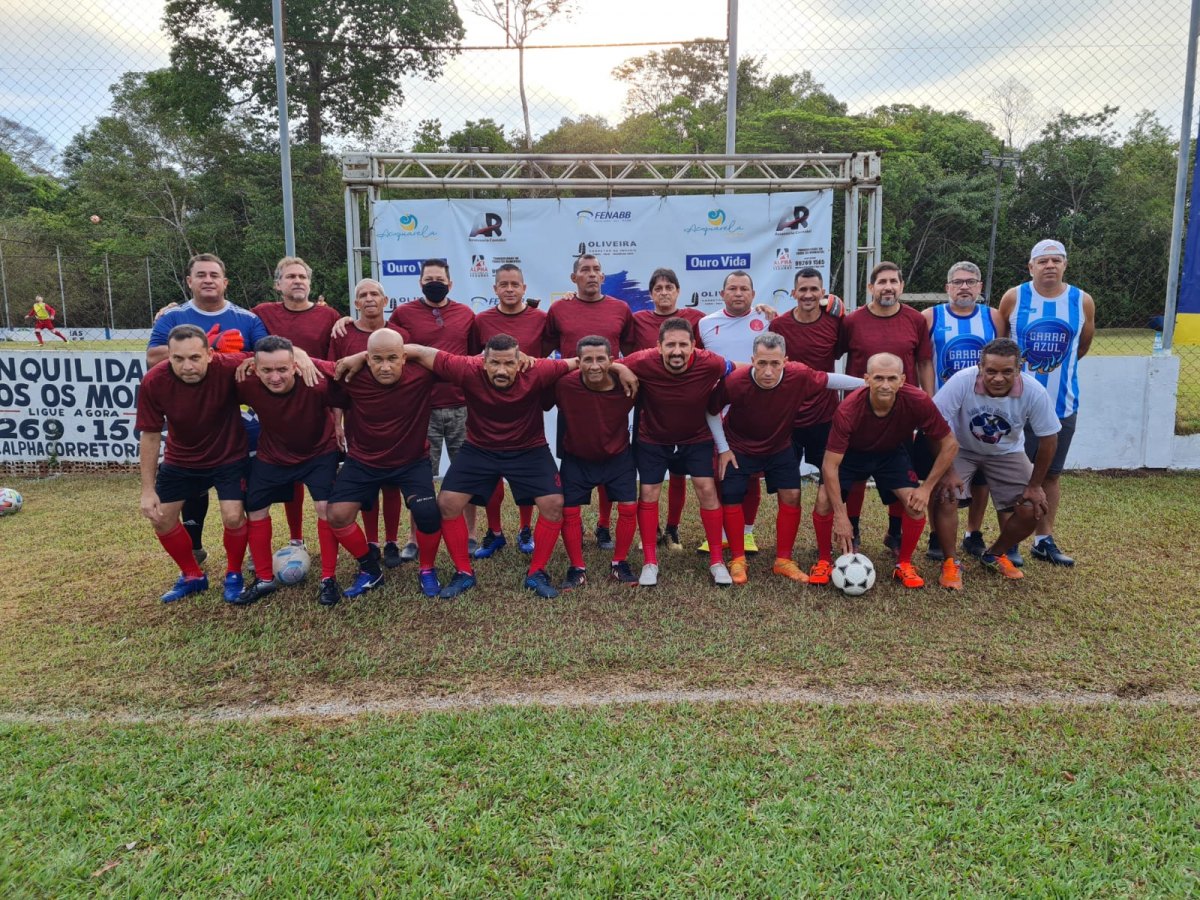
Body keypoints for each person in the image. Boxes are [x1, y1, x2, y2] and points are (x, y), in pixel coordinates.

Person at [392, 335, 604, 600]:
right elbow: (420, 350)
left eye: (508, 364)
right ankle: (463, 572)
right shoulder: (466, 368)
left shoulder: (539, 370)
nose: (501, 370)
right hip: (479, 448)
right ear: (483, 362)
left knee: (553, 503)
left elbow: (581, 362)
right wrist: (361, 357)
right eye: (494, 363)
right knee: (447, 502)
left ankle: (537, 572)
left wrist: (617, 367)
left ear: (520, 362)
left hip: (529, 449)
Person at [709, 332, 863, 584]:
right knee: (732, 496)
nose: (768, 371)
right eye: (762, 363)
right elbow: (710, 410)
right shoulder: (735, 381)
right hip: (739, 447)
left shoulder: (799, 374)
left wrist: (868, 383)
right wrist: (724, 448)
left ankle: (783, 560)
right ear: (752, 360)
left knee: (792, 495)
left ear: (785, 362)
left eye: (775, 364)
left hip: (779, 446)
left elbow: (831, 380)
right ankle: (738, 559)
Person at [146, 253, 270, 566]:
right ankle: (195, 551)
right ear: (189, 281)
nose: (208, 280)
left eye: (214, 275)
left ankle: (248, 559)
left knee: (240, 502)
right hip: (190, 425)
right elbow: (153, 356)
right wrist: (211, 345)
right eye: (200, 275)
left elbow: (266, 356)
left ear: (225, 282)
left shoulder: (247, 318)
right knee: (192, 490)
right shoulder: (172, 318)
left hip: (240, 422)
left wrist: (242, 357)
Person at [812, 353, 957, 589]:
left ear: (902, 379)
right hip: (851, 454)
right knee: (823, 500)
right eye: (879, 378)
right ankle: (824, 561)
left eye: (892, 379)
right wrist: (841, 515)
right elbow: (830, 465)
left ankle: (905, 564)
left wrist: (926, 488)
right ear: (867, 379)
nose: (886, 385)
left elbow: (950, 444)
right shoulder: (848, 409)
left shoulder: (918, 400)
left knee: (914, 504)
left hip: (891, 453)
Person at [930, 338, 1061, 589]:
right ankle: (950, 562)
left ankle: (995, 553)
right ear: (980, 368)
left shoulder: (1033, 391)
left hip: (1007, 452)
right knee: (945, 494)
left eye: (1006, 372)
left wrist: (1035, 485)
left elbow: (1049, 440)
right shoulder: (962, 381)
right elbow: (935, 423)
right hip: (962, 448)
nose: (998, 378)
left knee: (1034, 506)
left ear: (1018, 369)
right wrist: (948, 470)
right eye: (991, 371)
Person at [325, 329, 443, 604]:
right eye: (377, 359)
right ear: (368, 359)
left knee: (427, 513)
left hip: (411, 461)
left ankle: (427, 568)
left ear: (404, 358)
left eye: (393, 358)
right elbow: (305, 363)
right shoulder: (353, 376)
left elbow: (457, 362)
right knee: (338, 515)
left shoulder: (422, 374)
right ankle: (370, 568)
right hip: (363, 460)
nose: (385, 366)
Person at [136, 324, 251, 604]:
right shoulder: (154, 381)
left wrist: (300, 356)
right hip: (181, 458)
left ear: (210, 354)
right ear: (169, 357)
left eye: (195, 358)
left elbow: (274, 356)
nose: (187, 366)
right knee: (161, 519)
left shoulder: (228, 366)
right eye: (178, 359)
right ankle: (192, 575)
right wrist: (147, 490)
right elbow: (150, 436)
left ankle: (234, 574)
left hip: (229, 456)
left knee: (234, 516)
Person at [997, 239, 1096, 566]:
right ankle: (1011, 540)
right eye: (1043, 261)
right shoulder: (1014, 297)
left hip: (1061, 404)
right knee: (1014, 475)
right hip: (1014, 407)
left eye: (1056, 260)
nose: (1049, 265)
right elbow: (998, 347)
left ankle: (1043, 539)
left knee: (1050, 475)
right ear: (1031, 267)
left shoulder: (1082, 301)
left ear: (1065, 264)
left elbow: (1081, 347)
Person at [622, 318, 730, 587]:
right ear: (658, 346)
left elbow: (736, 370)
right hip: (652, 439)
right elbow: (605, 363)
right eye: (670, 345)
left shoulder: (711, 362)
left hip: (695, 438)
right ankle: (650, 561)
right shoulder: (642, 360)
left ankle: (717, 561)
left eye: (684, 344)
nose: (677, 351)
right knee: (649, 493)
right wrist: (618, 368)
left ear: (694, 346)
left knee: (706, 489)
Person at [233, 335, 341, 605]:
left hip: (319, 452)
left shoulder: (316, 380)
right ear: (255, 369)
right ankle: (264, 579)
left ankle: (329, 578)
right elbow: (212, 360)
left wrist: (305, 354)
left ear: (295, 366)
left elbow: (345, 368)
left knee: (325, 509)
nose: (275, 377)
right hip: (274, 454)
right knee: (255, 508)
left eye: (282, 369)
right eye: (267, 370)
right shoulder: (245, 382)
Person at [840, 261, 935, 554]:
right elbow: (832, 353)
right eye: (882, 282)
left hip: (901, 414)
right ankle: (853, 530)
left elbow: (923, 363)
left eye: (894, 281)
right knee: (855, 475)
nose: (888, 287)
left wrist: (927, 404)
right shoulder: (852, 321)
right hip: (859, 413)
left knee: (899, 474)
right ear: (871, 288)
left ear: (902, 286)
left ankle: (894, 533)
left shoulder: (916, 320)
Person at [252, 256, 342, 551]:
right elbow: (229, 328)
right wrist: (173, 311)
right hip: (277, 404)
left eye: (302, 277)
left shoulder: (328, 316)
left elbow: (336, 361)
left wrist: (347, 319)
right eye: (290, 277)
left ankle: (327, 548)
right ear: (278, 284)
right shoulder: (261, 314)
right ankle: (296, 538)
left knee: (315, 475)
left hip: (316, 404)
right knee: (288, 472)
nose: (298, 281)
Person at [545, 254, 634, 550]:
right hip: (573, 398)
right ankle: (575, 523)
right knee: (575, 460)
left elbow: (632, 350)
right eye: (585, 270)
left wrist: (620, 367)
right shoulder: (559, 308)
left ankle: (604, 527)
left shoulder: (621, 308)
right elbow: (545, 348)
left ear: (603, 277)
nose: (592, 275)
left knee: (611, 459)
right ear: (574, 278)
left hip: (610, 398)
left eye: (597, 270)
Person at [922, 260, 1004, 562]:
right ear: (947, 288)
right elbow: (924, 360)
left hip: (982, 411)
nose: (964, 286)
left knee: (981, 475)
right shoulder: (931, 317)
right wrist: (930, 400)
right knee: (940, 472)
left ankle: (973, 533)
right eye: (958, 282)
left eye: (971, 281)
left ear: (980, 287)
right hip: (945, 410)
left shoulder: (994, 318)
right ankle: (935, 535)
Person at [327, 278, 407, 567]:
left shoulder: (401, 334)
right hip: (359, 421)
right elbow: (336, 383)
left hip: (397, 422)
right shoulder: (342, 334)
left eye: (376, 293)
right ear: (356, 303)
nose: (370, 298)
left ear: (386, 302)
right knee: (370, 486)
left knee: (392, 485)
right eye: (363, 294)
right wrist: (337, 424)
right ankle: (371, 541)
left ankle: (392, 542)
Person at [470, 264, 548, 559]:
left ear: (524, 288)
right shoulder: (481, 320)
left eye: (515, 284)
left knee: (523, 472)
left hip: (526, 406)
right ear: (495, 289)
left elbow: (548, 352)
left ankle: (525, 529)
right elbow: (473, 358)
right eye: (504, 284)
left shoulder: (541, 319)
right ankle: (495, 532)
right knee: (492, 474)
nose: (510, 289)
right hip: (488, 407)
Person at [696, 271, 774, 556]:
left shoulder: (768, 320)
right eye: (732, 288)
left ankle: (747, 533)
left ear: (753, 294)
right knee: (718, 473)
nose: (738, 293)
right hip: (716, 410)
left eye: (744, 288)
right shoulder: (704, 323)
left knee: (750, 475)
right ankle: (718, 534)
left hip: (754, 411)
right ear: (722, 294)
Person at [629, 267, 707, 551]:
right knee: (649, 474)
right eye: (658, 288)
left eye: (669, 287)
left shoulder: (695, 319)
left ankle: (673, 528)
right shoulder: (637, 320)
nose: (664, 292)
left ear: (678, 291)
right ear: (651, 294)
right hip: (648, 404)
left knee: (678, 472)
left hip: (686, 403)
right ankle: (650, 530)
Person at [553, 335, 640, 588]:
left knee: (628, 508)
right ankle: (576, 567)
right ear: (577, 361)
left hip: (618, 456)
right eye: (587, 360)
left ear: (612, 361)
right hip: (577, 457)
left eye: (601, 359)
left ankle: (619, 563)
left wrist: (622, 369)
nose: (594, 365)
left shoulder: (629, 384)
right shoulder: (564, 385)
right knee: (568, 512)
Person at [767, 266, 847, 481]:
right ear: (793, 293)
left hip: (825, 414)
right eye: (802, 289)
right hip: (788, 414)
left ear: (823, 292)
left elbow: (838, 353)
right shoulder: (778, 325)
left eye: (814, 289)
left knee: (831, 479)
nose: (808, 294)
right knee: (786, 485)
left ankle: (829, 517)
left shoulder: (835, 323)